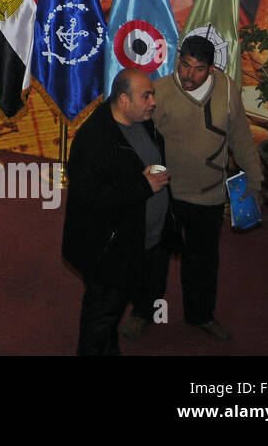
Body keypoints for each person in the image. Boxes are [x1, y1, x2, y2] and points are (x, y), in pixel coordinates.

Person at [123, 35, 263, 342]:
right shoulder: (158, 92)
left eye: (198, 69)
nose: (188, 74)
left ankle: (201, 315)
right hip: (166, 195)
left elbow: (240, 136)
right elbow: (137, 142)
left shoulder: (226, 89)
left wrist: (255, 181)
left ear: (211, 69)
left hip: (209, 194)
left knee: (203, 260)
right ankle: (143, 312)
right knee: (153, 258)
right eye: (184, 65)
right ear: (178, 59)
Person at [61, 69, 178, 355]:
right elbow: (88, 196)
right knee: (100, 318)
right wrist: (143, 185)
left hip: (139, 243)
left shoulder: (144, 123)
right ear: (124, 100)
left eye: (152, 94)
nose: (153, 101)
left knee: (110, 319)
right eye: (146, 96)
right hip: (109, 252)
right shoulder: (94, 139)